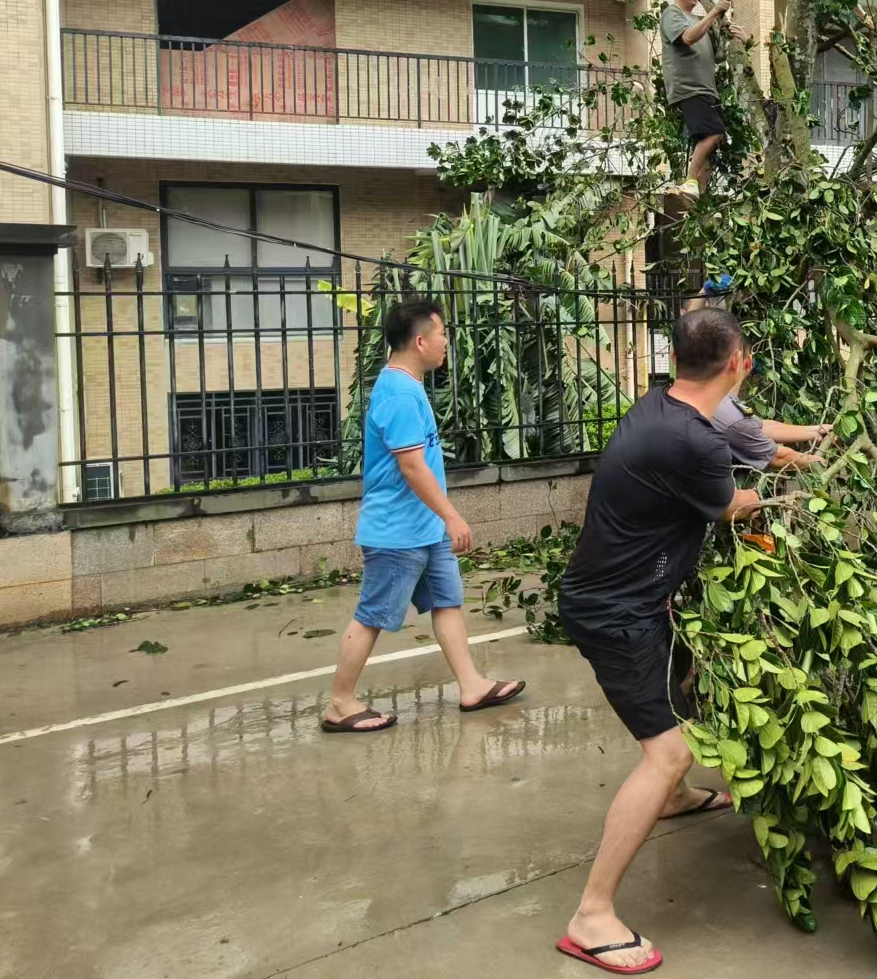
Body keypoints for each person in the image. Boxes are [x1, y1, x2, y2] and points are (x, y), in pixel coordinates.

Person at [555, 308, 763, 973]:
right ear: (736, 363)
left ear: (675, 359)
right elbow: (728, 505)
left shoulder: (660, 408)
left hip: (637, 600)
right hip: (616, 614)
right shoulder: (696, 443)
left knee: (686, 698)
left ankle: (672, 799)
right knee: (669, 752)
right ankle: (591, 915)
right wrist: (773, 498)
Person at [322, 299, 525, 732]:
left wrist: (440, 520)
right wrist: (452, 516)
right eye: (442, 334)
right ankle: (340, 703)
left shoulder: (408, 385)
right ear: (420, 341)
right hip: (398, 532)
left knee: (446, 602)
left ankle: (471, 685)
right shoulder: (398, 394)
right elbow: (412, 466)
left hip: (424, 528)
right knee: (373, 615)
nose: (446, 342)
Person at [661, 0, 745, 198]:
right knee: (715, 132)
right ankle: (689, 181)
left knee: (710, 144)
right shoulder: (672, 13)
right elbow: (687, 38)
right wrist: (715, 12)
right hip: (689, 88)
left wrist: (740, 42)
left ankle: (696, 198)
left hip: (708, 89)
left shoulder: (699, 21)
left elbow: (716, 57)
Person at [713, 389, 831, 473]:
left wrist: (815, 431)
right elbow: (777, 457)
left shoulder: (724, 398)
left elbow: (760, 426)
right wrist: (818, 462)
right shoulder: (731, 415)